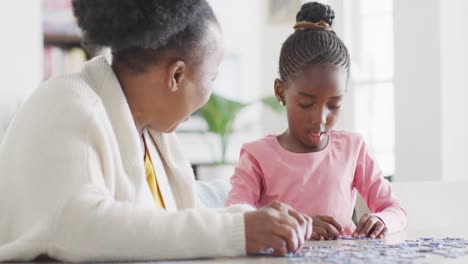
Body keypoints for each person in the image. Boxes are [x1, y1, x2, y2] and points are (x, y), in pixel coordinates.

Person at [0, 0, 312, 262]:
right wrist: (239, 231)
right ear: (176, 75)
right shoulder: (66, 101)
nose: (208, 97)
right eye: (212, 77)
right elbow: (75, 226)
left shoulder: (156, 137)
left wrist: (261, 218)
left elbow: (180, 218)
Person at [225, 2, 407, 241]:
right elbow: (234, 219)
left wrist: (381, 220)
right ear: (280, 92)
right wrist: (298, 225)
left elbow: (395, 210)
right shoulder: (257, 156)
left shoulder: (353, 149)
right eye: (306, 104)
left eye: (334, 105)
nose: (320, 119)